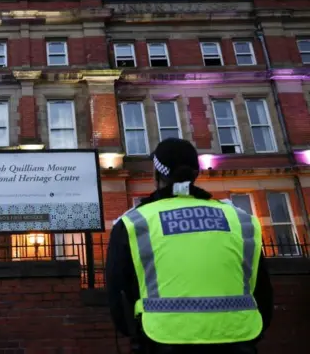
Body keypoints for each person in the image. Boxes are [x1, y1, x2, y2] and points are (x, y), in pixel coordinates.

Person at [106, 138, 273, 354]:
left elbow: (117, 293)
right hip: (238, 341)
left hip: (161, 342)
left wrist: (135, 334)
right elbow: (262, 290)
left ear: (156, 175)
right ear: (196, 174)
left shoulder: (135, 222)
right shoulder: (240, 219)